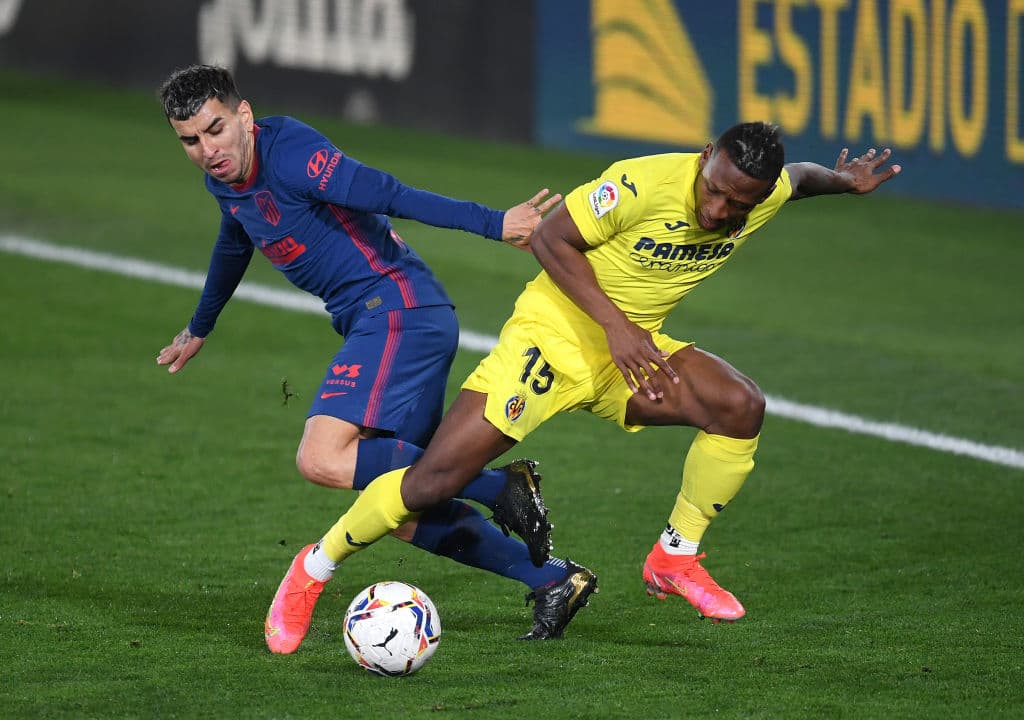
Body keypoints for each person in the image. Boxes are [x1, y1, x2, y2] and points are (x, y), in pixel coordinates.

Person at [265, 120, 901, 646]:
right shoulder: (641, 182)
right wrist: (618, 328)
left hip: (630, 355)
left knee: (740, 406)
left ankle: (674, 557)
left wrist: (844, 181)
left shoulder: (758, 195)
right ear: (705, 158)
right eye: (715, 191)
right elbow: (550, 239)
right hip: (554, 340)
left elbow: (799, 178)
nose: (720, 210)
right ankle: (311, 571)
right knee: (435, 480)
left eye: (740, 203)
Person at [154, 64, 597, 653]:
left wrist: (497, 224)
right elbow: (237, 235)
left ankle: (497, 485)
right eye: (191, 140)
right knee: (405, 501)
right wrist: (200, 325)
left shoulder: (293, 157)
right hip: (384, 315)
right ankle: (552, 579)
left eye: (215, 130)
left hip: (396, 306)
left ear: (244, 116)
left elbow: (390, 192)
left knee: (321, 458)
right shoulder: (226, 178)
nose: (208, 150)